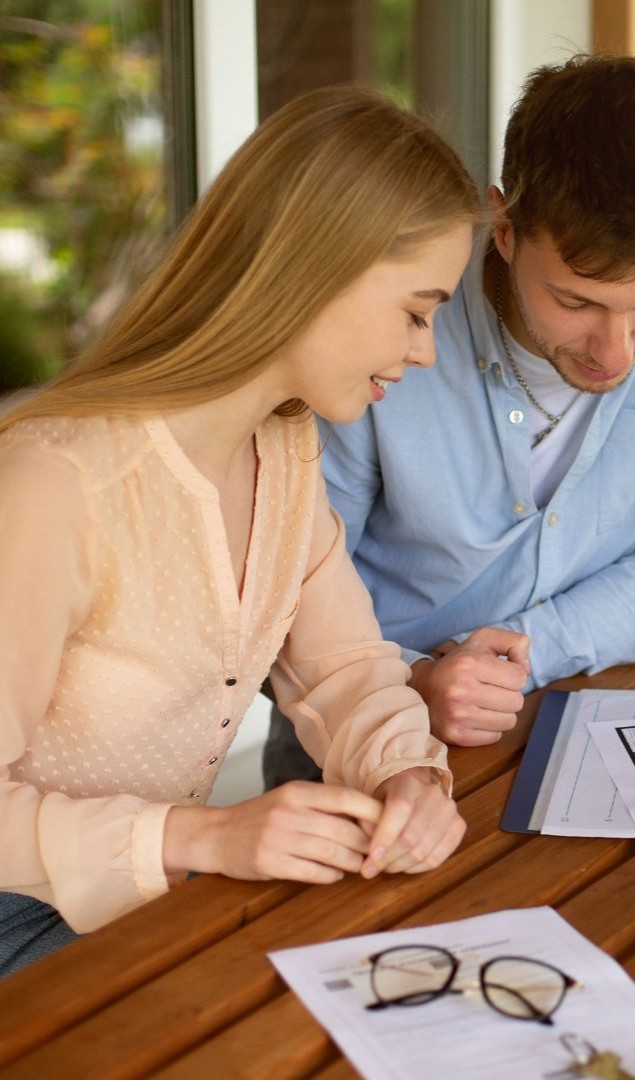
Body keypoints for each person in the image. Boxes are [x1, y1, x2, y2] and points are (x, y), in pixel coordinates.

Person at [0, 87, 482, 977]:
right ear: (316, 268)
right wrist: (206, 836)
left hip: (145, 909)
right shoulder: (57, 481)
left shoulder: (286, 449)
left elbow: (342, 668)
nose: (427, 352)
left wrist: (407, 774)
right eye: (418, 312)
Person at [263, 53, 635, 782]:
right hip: (367, 741)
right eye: (578, 302)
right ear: (503, 227)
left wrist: (520, 654)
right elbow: (285, 596)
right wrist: (414, 683)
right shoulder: (392, 317)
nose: (616, 353)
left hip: (595, 723)